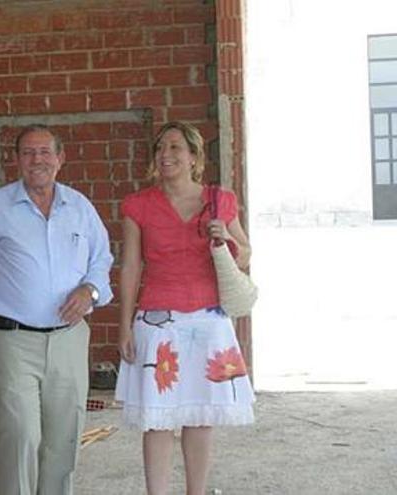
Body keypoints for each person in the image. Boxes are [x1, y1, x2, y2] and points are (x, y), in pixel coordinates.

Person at [0, 124, 114, 495]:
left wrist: (91, 290)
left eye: (46, 152)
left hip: (68, 339)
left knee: (63, 438)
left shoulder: (80, 207)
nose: (38, 160)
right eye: (29, 153)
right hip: (11, 340)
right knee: (18, 434)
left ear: (60, 159)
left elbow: (102, 260)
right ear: (17, 160)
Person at [114, 121, 255, 495]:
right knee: (157, 419)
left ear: (194, 157)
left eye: (175, 147)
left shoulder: (219, 200)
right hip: (157, 321)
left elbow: (245, 256)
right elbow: (131, 267)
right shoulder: (138, 205)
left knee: (200, 414)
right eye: (160, 148)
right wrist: (124, 325)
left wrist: (226, 238)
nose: (166, 155)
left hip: (209, 320)